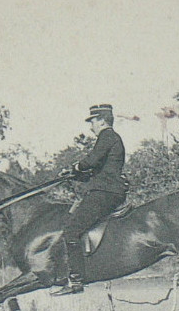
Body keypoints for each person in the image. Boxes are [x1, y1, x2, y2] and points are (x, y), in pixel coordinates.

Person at [51, 104, 127, 296]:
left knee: (71, 230)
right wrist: (73, 174)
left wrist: (75, 167)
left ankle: (76, 279)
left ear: (102, 120)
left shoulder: (107, 136)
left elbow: (91, 161)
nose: (91, 126)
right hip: (106, 189)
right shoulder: (110, 138)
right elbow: (95, 170)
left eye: (92, 121)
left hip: (105, 192)